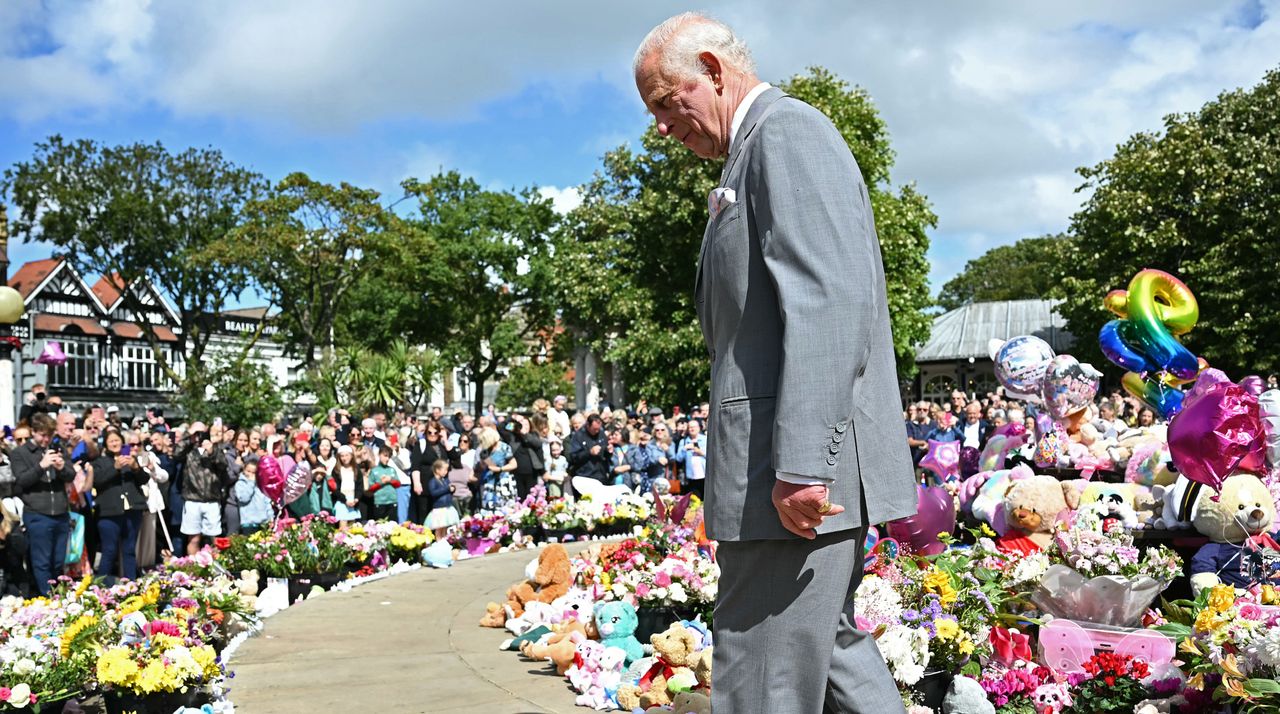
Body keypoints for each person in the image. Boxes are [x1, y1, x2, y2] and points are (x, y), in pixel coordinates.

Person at [634, 14, 914, 712]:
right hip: (779, 475)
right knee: (830, 659)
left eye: (668, 103)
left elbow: (826, 304)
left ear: (714, 69)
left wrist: (801, 466)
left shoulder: (783, 134)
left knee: (761, 677)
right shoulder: (753, 151)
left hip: (782, 480)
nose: (664, 127)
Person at [12, 413, 75, 595]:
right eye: (42, 435)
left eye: (49, 435)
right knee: (42, 561)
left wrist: (62, 467)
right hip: (38, 514)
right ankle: (48, 598)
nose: (46, 440)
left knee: (58, 561)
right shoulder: (20, 453)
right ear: (33, 432)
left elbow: (71, 475)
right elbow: (22, 481)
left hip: (61, 513)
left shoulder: (59, 448)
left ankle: (58, 596)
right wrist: (42, 466)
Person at [89, 430, 147, 582]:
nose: (115, 444)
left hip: (132, 510)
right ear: (106, 444)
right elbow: (97, 481)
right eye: (111, 441)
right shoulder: (99, 462)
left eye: (117, 440)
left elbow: (144, 479)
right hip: (109, 512)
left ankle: (131, 584)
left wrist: (136, 468)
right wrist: (114, 468)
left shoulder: (130, 458)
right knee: (109, 550)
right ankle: (100, 585)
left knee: (129, 549)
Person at [179, 423, 230, 556]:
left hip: (212, 500)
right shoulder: (189, 450)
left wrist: (212, 450)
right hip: (192, 499)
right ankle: (194, 570)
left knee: (215, 539)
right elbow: (175, 452)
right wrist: (189, 437)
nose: (199, 436)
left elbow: (223, 464)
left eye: (202, 432)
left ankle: (216, 571)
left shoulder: (215, 449)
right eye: (197, 432)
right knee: (194, 538)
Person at [566, 415, 610, 485]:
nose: (597, 431)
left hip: (600, 475)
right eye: (594, 429)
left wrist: (609, 451)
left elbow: (606, 453)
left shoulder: (601, 433)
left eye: (598, 428)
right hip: (585, 476)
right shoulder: (578, 436)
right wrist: (589, 452)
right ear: (588, 425)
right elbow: (573, 457)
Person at [234, 459, 273, 534]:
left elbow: (267, 501)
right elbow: (244, 498)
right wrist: (251, 483)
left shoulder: (260, 485)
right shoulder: (240, 484)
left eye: (253, 472)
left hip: (263, 523)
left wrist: (270, 517)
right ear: (244, 470)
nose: (251, 474)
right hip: (249, 523)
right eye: (248, 471)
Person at [424, 459, 459, 538]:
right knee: (439, 528)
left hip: (447, 507)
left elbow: (449, 488)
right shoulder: (433, 481)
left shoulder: (445, 480)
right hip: (439, 508)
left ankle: (445, 541)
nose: (446, 472)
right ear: (437, 470)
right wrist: (447, 489)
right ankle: (439, 541)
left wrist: (452, 489)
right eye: (444, 470)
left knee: (445, 527)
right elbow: (433, 493)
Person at [674, 418, 707, 499]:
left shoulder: (706, 439)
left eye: (694, 427)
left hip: (705, 475)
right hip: (690, 477)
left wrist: (700, 452)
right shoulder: (684, 441)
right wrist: (684, 449)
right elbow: (678, 459)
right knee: (695, 501)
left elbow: (713, 456)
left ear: (699, 428)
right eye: (690, 427)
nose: (692, 429)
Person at [332, 445, 365, 522]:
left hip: (353, 500)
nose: (344, 458)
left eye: (347, 455)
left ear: (351, 456)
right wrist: (344, 500)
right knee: (343, 525)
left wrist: (356, 498)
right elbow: (335, 488)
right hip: (342, 501)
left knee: (352, 526)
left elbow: (360, 486)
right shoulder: (336, 470)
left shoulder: (356, 470)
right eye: (342, 456)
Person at [365, 448, 400, 521]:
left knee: (392, 524)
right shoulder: (374, 471)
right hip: (379, 502)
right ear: (379, 455)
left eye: (389, 457)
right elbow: (371, 488)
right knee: (379, 525)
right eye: (385, 456)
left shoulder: (392, 470)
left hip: (392, 501)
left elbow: (398, 484)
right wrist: (381, 482)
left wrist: (390, 480)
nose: (387, 459)